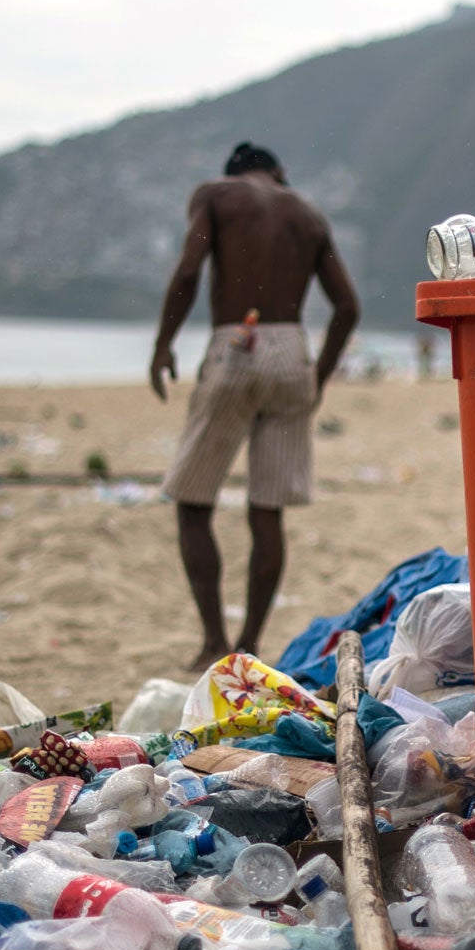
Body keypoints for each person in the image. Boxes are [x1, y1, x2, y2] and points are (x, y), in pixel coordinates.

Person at [151, 142, 359, 670]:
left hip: (237, 342)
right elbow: (348, 308)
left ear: (234, 173)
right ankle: (248, 642)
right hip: (293, 353)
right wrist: (318, 380)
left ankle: (211, 642)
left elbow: (188, 271)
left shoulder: (216, 196)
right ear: (279, 172)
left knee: (193, 501)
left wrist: (163, 344)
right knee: (267, 509)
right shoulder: (307, 214)